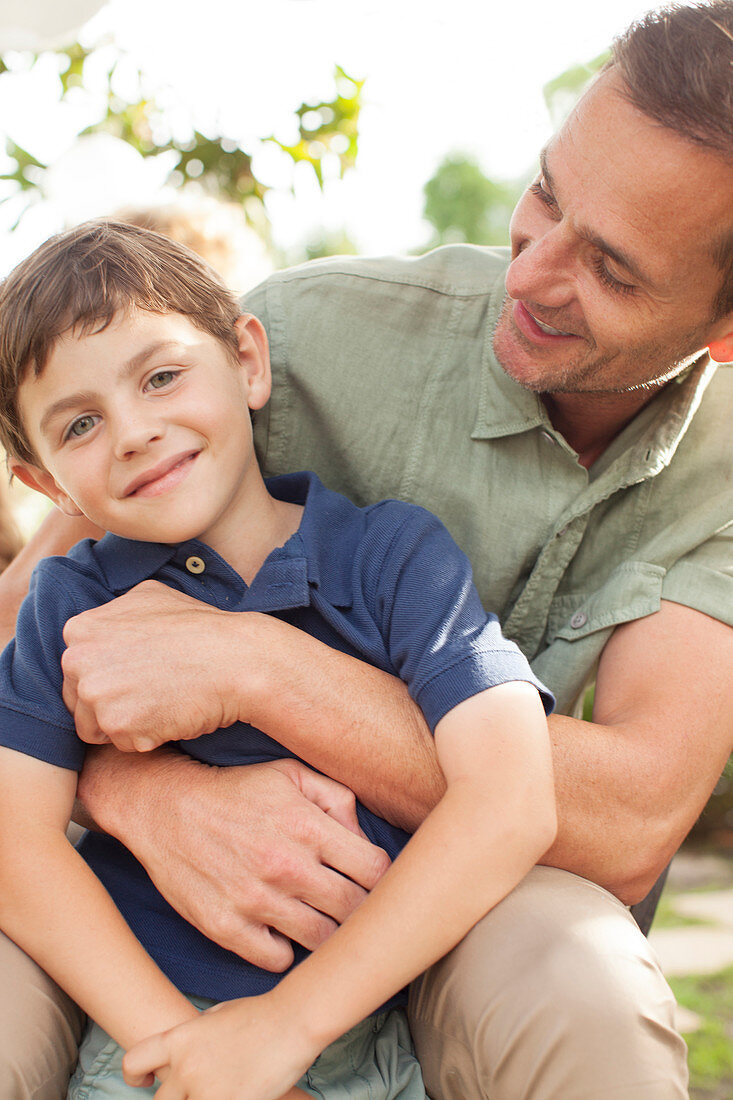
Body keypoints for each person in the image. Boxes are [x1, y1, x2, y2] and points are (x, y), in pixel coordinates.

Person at [0, 1, 731, 1097]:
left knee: (584, 984)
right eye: (544, 194)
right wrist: (129, 790)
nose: (527, 273)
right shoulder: (302, 334)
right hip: (143, 942)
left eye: (613, 272)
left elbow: (621, 815)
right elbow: (37, 636)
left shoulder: (405, 550)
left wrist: (255, 665)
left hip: (468, 912)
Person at [0, 219, 557, 1100]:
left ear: (248, 362)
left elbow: (512, 797)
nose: (135, 431)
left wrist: (283, 1032)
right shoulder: (70, 607)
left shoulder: (393, 557)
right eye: (78, 425)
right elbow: (12, 840)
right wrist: (186, 1052)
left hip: (378, 1034)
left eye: (161, 377)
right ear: (45, 485)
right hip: (150, 1046)